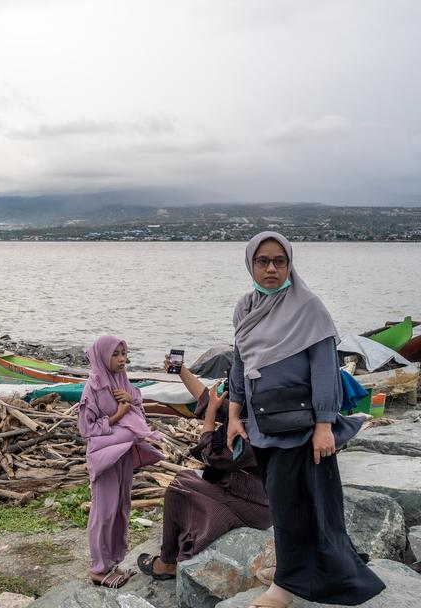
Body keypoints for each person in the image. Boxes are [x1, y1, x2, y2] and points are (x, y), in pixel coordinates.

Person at [226, 232, 385, 608]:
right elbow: (240, 363)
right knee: (287, 503)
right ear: (250, 264)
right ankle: (301, 567)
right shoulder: (245, 307)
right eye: (262, 260)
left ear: (289, 264)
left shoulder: (308, 307)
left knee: (294, 504)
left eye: (279, 261)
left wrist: (324, 425)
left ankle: (286, 588)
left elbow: (326, 369)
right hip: (263, 424)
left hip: (300, 428)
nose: (270, 268)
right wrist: (234, 416)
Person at [137, 358, 272, 580]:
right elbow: (205, 397)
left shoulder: (250, 429)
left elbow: (211, 454)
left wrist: (211, 412)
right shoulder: (257, 412)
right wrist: (180, 370)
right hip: (254, 496)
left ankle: (166, 563)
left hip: (254, 506)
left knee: (179, 486)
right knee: (190, 479)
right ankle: (181, 545)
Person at [78, 335, 164, 588]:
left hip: (123, 454)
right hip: (105, 458)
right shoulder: (93, 387)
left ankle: (112, 563)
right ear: (103, 356)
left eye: (124, 354)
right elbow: (86, 429)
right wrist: (118, 414)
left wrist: (130, 402)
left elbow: (139, 415)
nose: (122, 359)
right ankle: (98, 569)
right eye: (115, 354)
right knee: (103, 511)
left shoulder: (122, 382)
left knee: (120, 508)